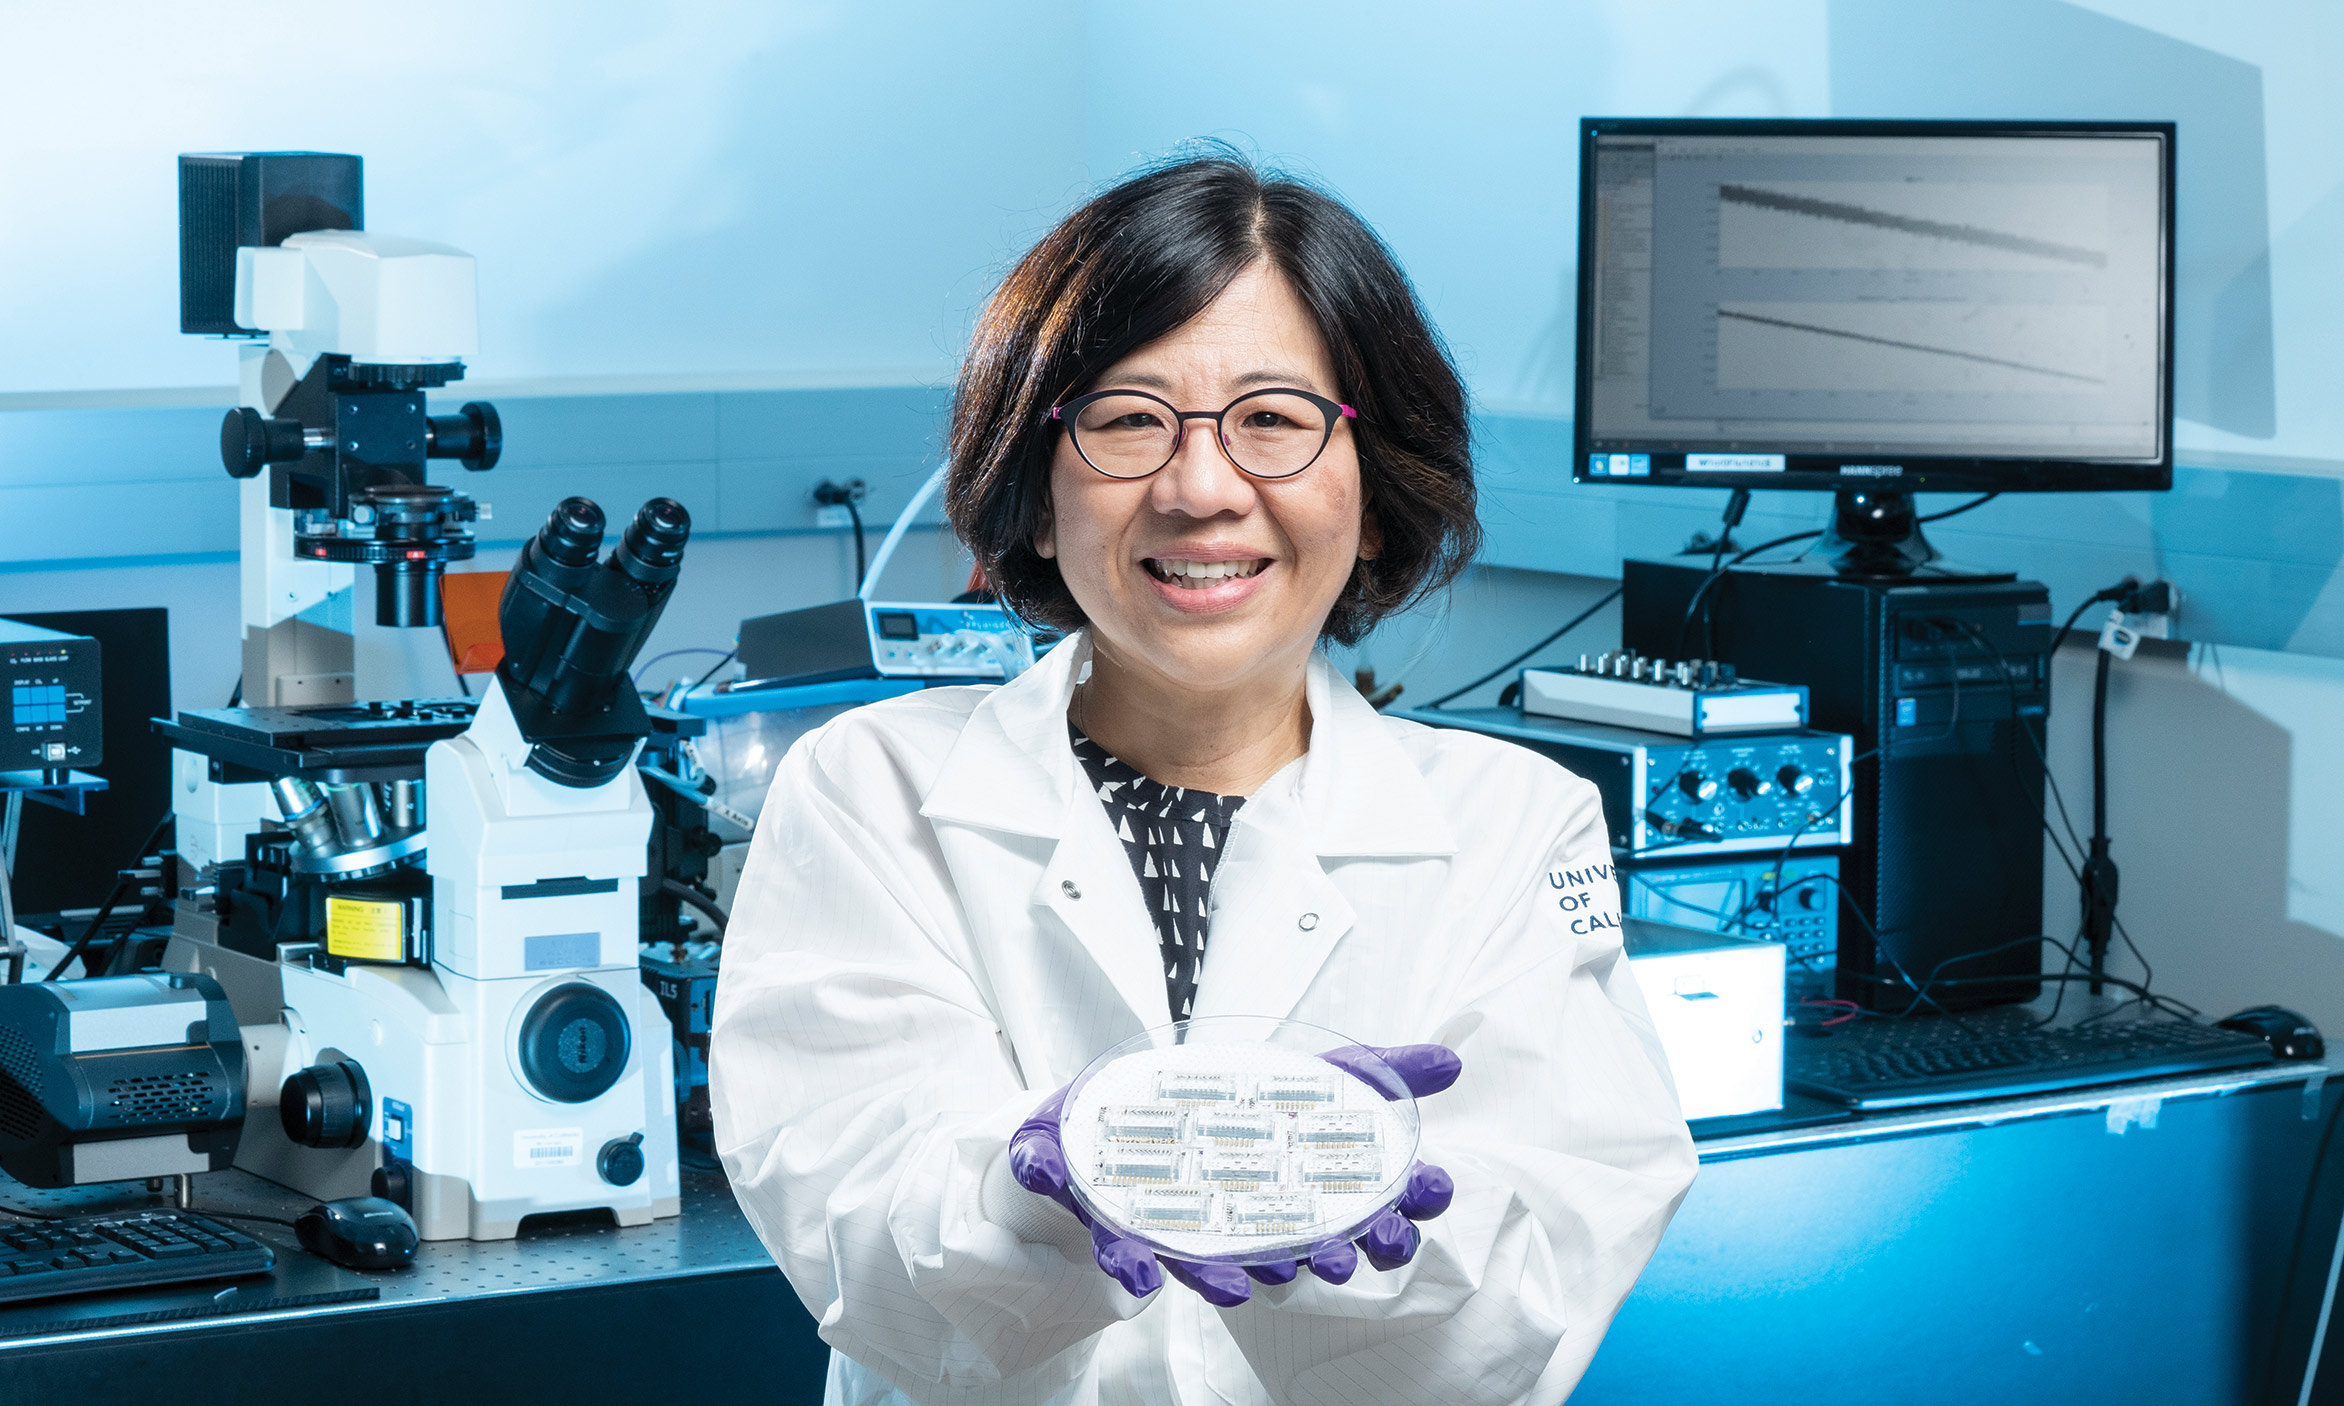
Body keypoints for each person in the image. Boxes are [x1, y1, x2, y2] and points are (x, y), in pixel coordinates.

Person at [712, 152, 1696, 1406]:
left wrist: (1362, 1225)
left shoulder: (1514, 822)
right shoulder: (873, 786)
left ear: (1376, 492)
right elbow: (847, 1220)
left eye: (1273, 419)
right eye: (1128, 419)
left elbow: (1548, 1275)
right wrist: (1033, 1194)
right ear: (1033, 486)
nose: (1199, 488)